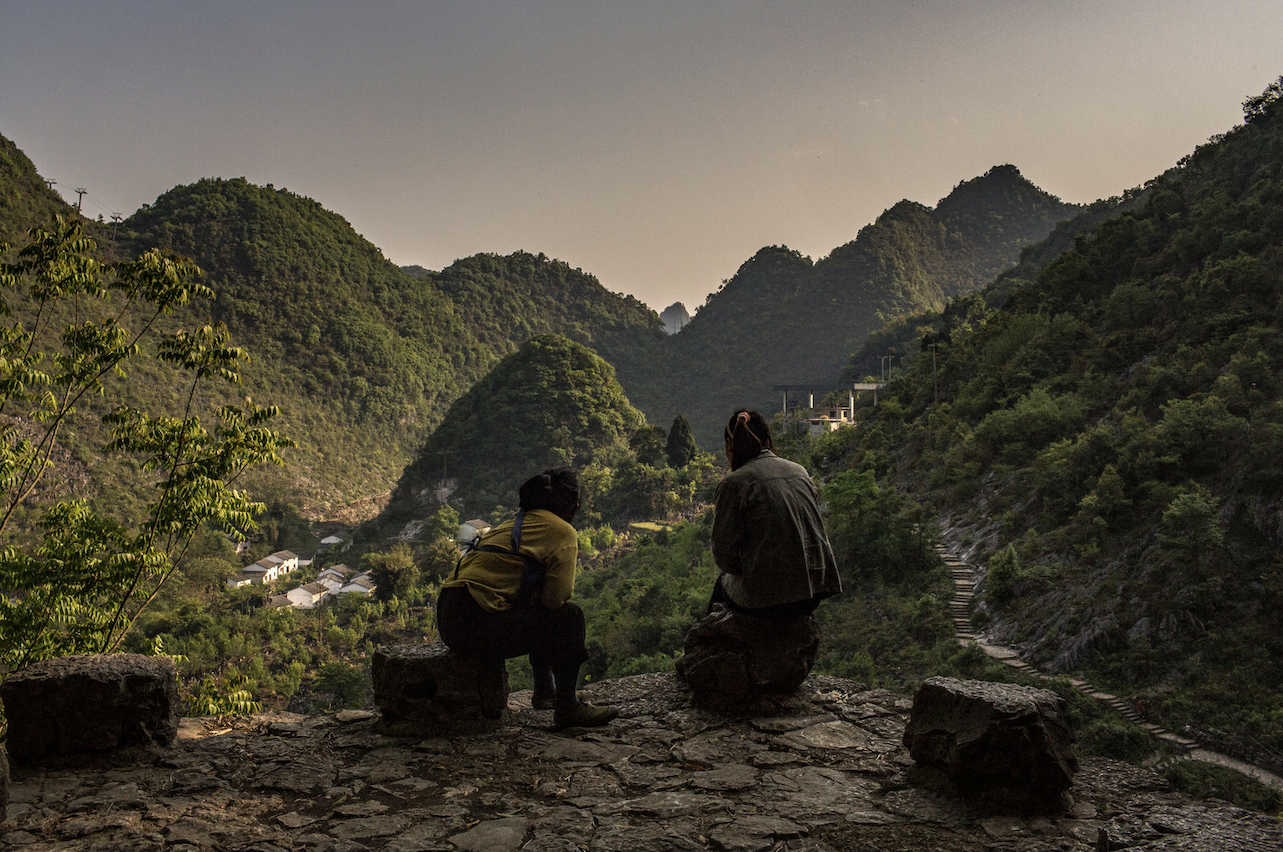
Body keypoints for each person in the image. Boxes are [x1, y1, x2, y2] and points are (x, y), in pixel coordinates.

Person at [436, 466, 618, 729]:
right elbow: (556, 599)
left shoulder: (515, 522)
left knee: (537, 608)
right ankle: (567, 708)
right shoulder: (562, 531)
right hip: (476, 621)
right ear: (575, 507)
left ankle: (546, 692)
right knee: (569, 617)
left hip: (450, 617)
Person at [709, 409, 841, 617]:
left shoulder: (734, 483)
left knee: (721, 587)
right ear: (768, 439)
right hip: (814, 591)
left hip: (770, 600)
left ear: (730, 445)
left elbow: (724, 557)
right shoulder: (799, 472)